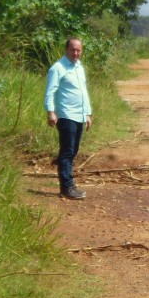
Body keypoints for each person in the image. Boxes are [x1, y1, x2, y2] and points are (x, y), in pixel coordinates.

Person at [44, 37, 92, 199]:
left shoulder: (79, 68)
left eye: (78, 50)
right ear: (66, 50)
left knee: (73, 151)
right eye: (72, 50)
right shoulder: (57, 68)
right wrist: (51, 112)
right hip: (65, 115)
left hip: (79, 115)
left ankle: (69, 184)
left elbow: (83, 92)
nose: (75, 53)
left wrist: (87, 113)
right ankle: (67, 187)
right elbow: (50, 92)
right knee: (67, 151)